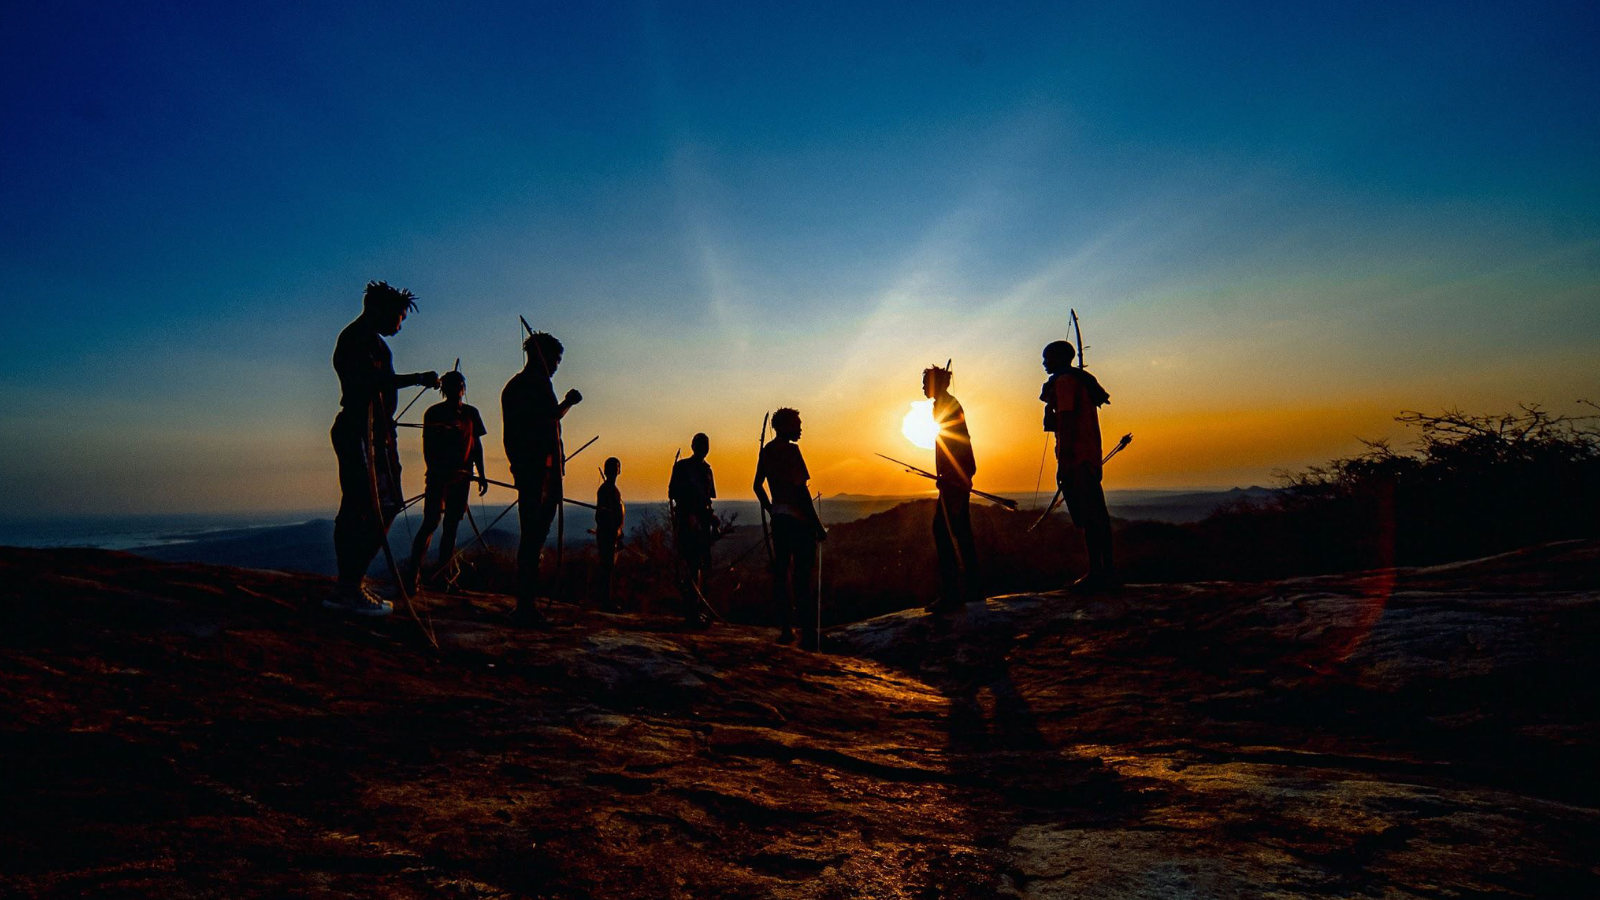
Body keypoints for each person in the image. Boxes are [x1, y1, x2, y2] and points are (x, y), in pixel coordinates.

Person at [327, 280, 438, 616]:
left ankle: (351, 583)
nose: (400, 326)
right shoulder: (355, 339)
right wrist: (416, 378)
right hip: (359, 431)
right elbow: (366, 382)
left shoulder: (375, 344)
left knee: (386, 505)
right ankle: (348, 587)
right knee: (363, 506)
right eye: (398, 318)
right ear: (378, 310)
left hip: (379, 433)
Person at [502, 330, 582, 625]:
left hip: (539, 471)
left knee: (534, 537)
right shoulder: (531, 385)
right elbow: (548, 417)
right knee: (533, 538)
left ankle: (527, 603)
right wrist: (569, 401)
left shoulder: (519, 385)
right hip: (537, 472)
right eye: (555, 359)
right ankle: (525, 606)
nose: (557, 366)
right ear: (540, 356)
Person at [1041, 340, 1116, 591]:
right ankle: (1104, 571)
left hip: (1077, 459)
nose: (1044, 363)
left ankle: (1098, 573)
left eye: (1047, 358)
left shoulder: (1065, 382)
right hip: (1088, 457)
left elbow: (1066, 421)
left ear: (1059, 358)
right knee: (1096, 516)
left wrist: (1064, 462)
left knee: (1091, 517)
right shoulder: (1079, 381)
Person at [405, 370, 488, 593]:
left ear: (464, 388)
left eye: (460, 385)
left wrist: (481, 474)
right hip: (439, 477)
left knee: (451, 526)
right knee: (431, 522)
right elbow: (428, 448)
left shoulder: (471, 413)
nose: (457, 389)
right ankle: (412, 576)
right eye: (451, 385)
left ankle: (444, 577)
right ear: (444, 388)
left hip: (463, 477)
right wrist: (439, 472)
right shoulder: (434, 413)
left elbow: (477, 445)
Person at [753, 408, 827, 650]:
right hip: (797, 520)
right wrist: (817, 526)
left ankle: (786, 629)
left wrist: (771, 510)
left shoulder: (767, 451)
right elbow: (801, 492)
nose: (800, 429)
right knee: (801, 576)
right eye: (797, 424)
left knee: (782, 572)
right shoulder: (791, 451)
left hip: (780, 518)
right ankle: (807, 631)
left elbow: (757, 486)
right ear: (784, 426)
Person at [924, 364, 979, 612]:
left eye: (926, 383)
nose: (923, 387)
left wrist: (951, 475)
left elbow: (956, 442)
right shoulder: (944, 404)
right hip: (956, 476)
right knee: (958, 531)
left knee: (945, 531)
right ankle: (970, 589)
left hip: (955, 478)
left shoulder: (946, 405)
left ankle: (953, 593)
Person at [669, 433, 718, 627]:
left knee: (701, 566)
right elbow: (674, 493)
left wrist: (712, 518)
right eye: (700, 444)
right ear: (693, 446)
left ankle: (697, 610)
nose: (703, 448)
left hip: (703, 523)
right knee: (692, 566)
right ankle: (692, 613)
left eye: (706, 445)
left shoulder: (707, 470)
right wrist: (688, 514)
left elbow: (707, 500)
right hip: (688, 522)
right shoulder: (682, 467)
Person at [593, 456, 624, 611]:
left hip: (613, 534)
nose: (613, 472)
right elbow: (601, 515)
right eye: (611, 469)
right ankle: (605, 600)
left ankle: (606, 599)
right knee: (606, 567)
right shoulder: (605, 490)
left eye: (615, 468)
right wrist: (612, 529)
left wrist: (618, 532)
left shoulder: (612, 490)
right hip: (607, 533)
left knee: (609, 567)